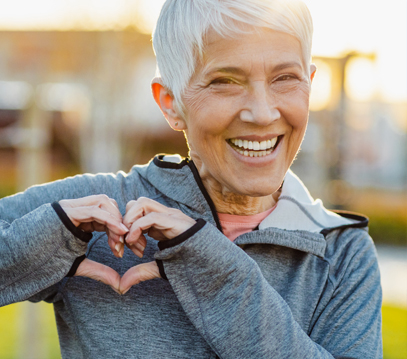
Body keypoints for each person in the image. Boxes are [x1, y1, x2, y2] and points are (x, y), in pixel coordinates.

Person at [0, 0, 382, 358]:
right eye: (225, 81)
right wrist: (48, 241)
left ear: (310, 84)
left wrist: (209, 264)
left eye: (285, 78)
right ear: (170, 102)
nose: (263, 113)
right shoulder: (102, 212)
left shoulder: (343, 252)